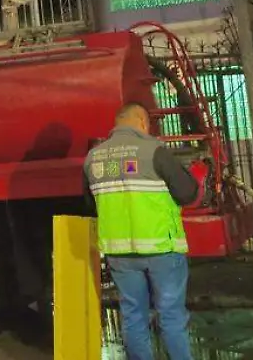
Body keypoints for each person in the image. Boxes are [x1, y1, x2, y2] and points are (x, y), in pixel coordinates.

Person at [83, 103, 201, 360]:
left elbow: (91, 204)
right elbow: (187, 193)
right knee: (170, 315)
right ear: (141, 121)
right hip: (162, 249)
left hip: (120, 253)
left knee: (133, 315)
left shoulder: (93, 158)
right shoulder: (154, 151)